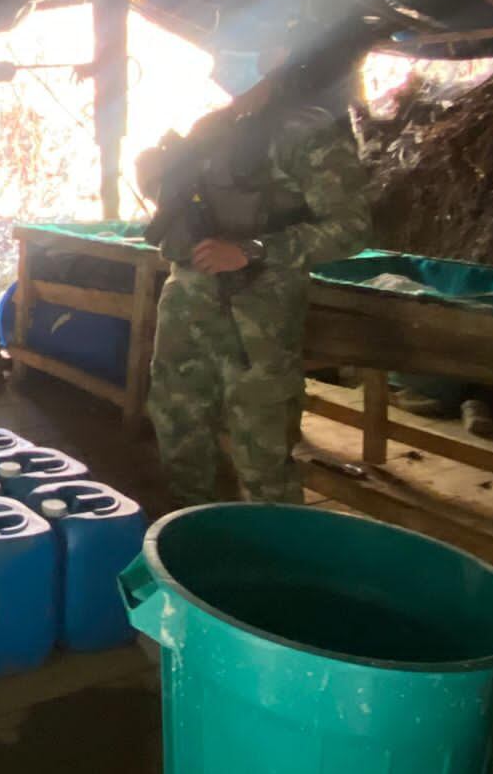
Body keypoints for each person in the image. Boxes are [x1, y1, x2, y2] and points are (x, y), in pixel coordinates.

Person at [139, 67, 371, 506]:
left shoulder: (308, 134)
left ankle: (274, 556)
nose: (225, 73)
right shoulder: (212, 128)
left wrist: (256, 249)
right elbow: (182, 202)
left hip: (259, 314)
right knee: (178, 430)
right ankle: (194, 538)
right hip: (188, 302)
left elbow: (352, 228)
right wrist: (154, 176)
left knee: (262, 452)